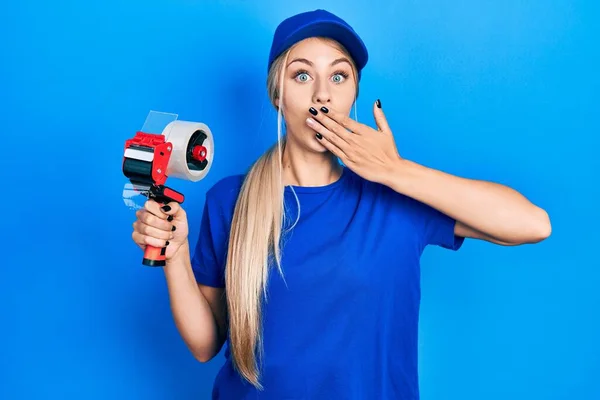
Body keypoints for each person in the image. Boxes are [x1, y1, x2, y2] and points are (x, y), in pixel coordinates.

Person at [131, 9, 551, 399]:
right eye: (301, 76)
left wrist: (395, 170)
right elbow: (206, 344)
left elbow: (531, 224)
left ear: (353, 94)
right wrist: (177, 255)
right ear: (277, 94)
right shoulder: (231, 200)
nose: (321, 96)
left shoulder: (398, 198)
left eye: (338, 77)